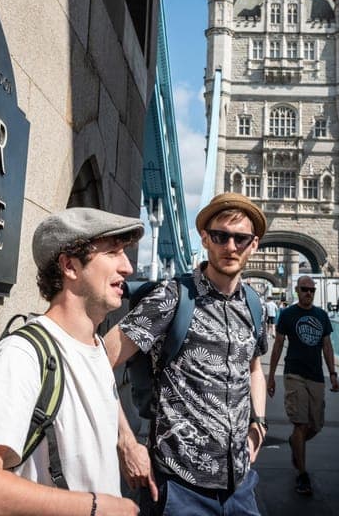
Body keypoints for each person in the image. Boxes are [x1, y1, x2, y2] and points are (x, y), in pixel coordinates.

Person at [0, 207, 144, 516]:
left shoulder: (95, 349)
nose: (128, 267)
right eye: (113, 252)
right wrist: (96, 507)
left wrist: (127, 442)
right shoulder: (23, 354)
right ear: (70, 266)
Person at [104, 192, 269, 515]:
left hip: (240, 484)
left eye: (240, 238)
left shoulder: (255, 305)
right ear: (205, 238)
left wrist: (258, 425)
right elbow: (98, 360)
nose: (230, 246)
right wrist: (125, 439)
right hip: (178, 486)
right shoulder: (172, 298)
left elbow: (254, 369)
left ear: (254, 244)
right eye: (220, 236)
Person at [267, 274, 339, 496]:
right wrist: (271, 376)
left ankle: (294, 444)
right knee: (300, 424)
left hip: (317, 375)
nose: (308, 293)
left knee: (315, 425)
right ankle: (302, 473)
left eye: (311, 290)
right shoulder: (288, 314)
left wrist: (333, 374)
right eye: (304, 289)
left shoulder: (322, 315)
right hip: (294, 374)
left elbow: (327, 346)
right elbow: (278, 344)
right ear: (297, 291)